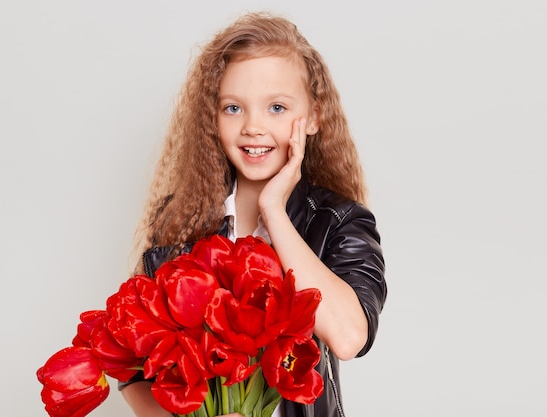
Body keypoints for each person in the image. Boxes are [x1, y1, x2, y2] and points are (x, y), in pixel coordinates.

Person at [120, 11, 387, 417]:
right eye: (233, 108)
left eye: (277, 107)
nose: (253, 127)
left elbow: (349, 337)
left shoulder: (338, 220)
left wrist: (273, 210)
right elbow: (132, 365)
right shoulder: (180, 220)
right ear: (212, 116)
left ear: (313, 116)